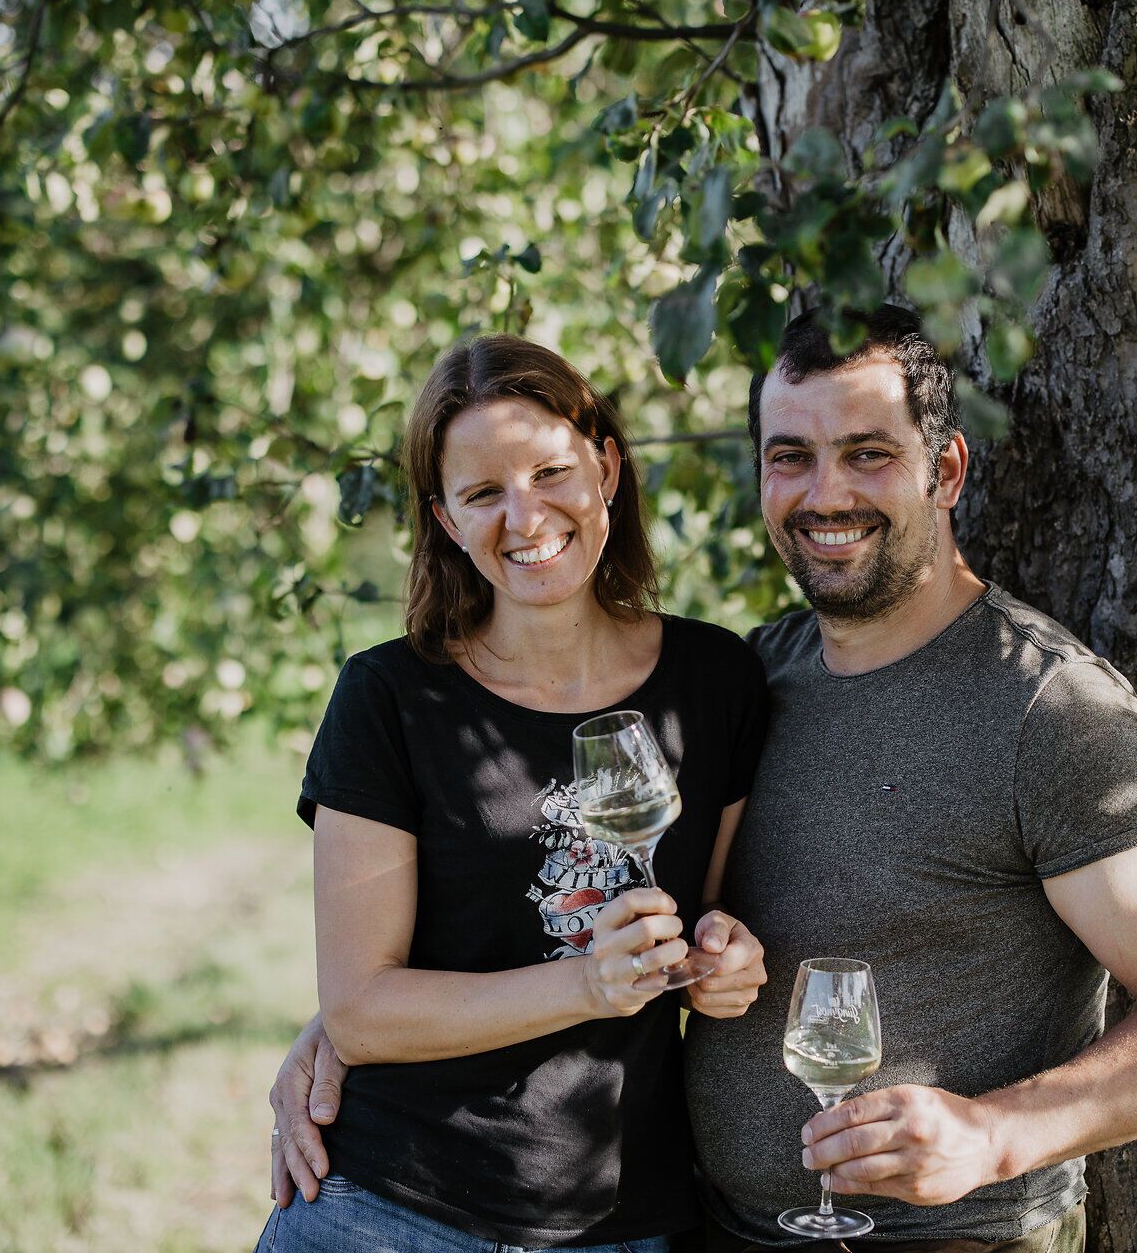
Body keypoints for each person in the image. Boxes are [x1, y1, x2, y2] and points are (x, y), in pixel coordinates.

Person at [271, 306, 1137, 1252]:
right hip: (693, 1226)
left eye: (869, 455)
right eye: (791, 456)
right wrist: (347, 1026)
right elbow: (625, 908)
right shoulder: (759, 674)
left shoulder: (1048, 712)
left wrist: (996, 1136)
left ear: (948, 469)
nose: (825, 493)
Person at [256, 333, 773, 1253]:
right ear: (447, 519)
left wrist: (718, 958)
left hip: (624, 1220)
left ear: (606, 467)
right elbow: (362, 1012)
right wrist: (584, 983)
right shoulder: (390, 698)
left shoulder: (716, 679)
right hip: (390, 1207)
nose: (524, 514)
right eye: (484, 491)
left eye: (550, 471)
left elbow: (704, 920)